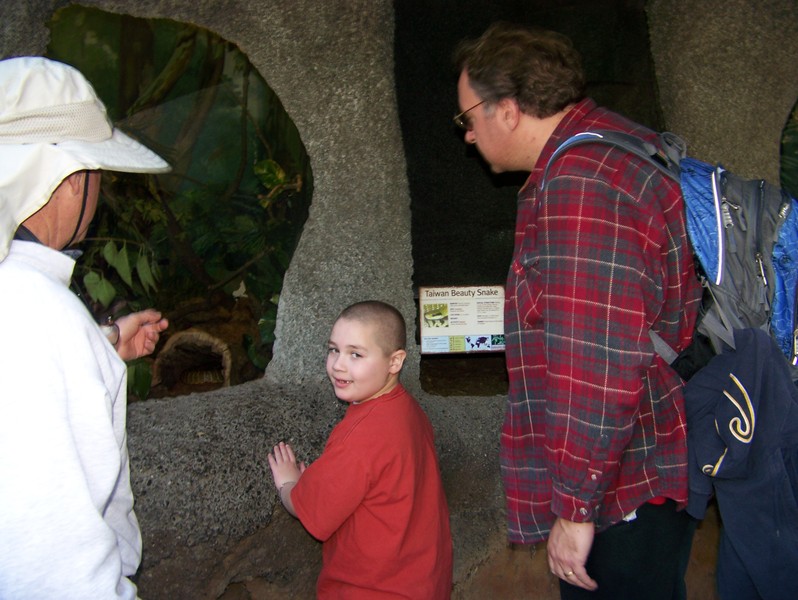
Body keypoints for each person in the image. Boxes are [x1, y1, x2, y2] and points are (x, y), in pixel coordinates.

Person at [452, 23, 703, 599]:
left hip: (625, 485)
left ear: (507, 110)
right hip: (650, 458)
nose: (466, 134)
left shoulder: (583, 184)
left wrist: (574, 509)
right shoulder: (619, 143)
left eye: (467, 117)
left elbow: (597, 362)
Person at [0, 56, 170, 599]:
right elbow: (52, 561)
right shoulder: (38, 312)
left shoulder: (22, 302)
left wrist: (104, 343)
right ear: (74, 181)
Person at [268, 300, 453, 599]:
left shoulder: (360, 435)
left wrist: (288, 485)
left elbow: (311, 510)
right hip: (423, 582)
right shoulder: (408, 410)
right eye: (333, 350)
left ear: (395, 362)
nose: (338, 365)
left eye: (356, 354)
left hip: (372, 589)